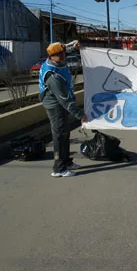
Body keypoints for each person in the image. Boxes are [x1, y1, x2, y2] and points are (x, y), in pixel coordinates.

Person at [39, 41, 87, 178]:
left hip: (59, 104)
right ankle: (59, 168)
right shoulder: (52, 75)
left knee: (65, 133)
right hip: (55, 106)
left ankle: (66, 162)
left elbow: (65, 47)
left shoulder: (58, 61)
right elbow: (64, 99)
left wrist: (74, 46)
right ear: (51, 56)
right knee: (59, 135)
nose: (62, 56)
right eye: (58, 55)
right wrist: (80, 115)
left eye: (62, 53)